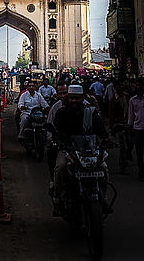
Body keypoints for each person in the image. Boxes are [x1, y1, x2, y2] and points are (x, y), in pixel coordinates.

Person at [53, 84, 108, 213]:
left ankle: (103, 197)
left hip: (88, 150)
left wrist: (106, 139)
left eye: (77, 98)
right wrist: (57, 140)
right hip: (68, 150)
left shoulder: (90, 112)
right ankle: (57, 198)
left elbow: (101, 129)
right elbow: (56, 129)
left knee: (104, 168)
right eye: (72, 98)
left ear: (82, 98)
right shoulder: (62, 113)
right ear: (68, 98)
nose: (74, 101)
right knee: (60, 168)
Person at [46, 81, 68, 180]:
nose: (63, 96)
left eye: (65, 93)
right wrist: (52, 140)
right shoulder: (56, 109)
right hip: (66, 146)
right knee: (60, 167)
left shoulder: (86, 107)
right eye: (61, 93)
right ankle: (56, 187)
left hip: (83, 147)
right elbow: (50, 125)